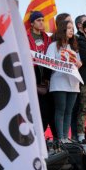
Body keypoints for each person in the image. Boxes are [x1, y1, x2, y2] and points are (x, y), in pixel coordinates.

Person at [46, 20, 82, 143]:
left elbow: (79, 63)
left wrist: (78, 63)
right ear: (62, 30)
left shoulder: (73, 47)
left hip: (73, 82)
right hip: (59, 82)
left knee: (69, 111)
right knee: (60, 110)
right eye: (69, 28)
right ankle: (60, 137)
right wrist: (63, 64)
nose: (72, 30)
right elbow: (48, 62)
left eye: (73, 28)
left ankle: (66, 137)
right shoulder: (53, 45)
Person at [26, 11, 57, 139]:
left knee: (49, 109)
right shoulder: (25, 36)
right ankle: (34, 137)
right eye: (38, 20)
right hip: (32, 74)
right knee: (36, 108)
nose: (41, 22)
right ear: (32, 23)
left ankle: (55, 137)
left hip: (46, 75)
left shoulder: (47, 38)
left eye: (42, 20)